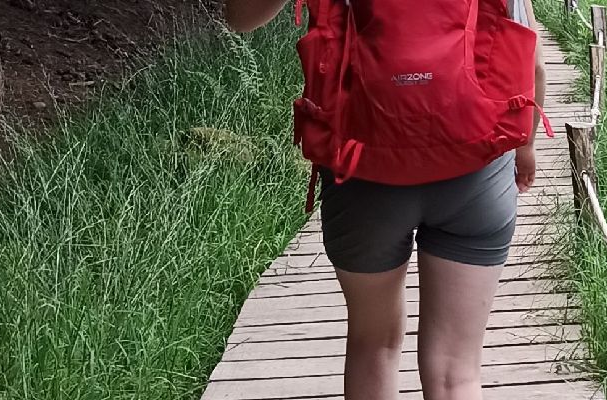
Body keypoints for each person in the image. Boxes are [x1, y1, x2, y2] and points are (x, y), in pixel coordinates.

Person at [223, 1, 546, 399]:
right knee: (456, 372)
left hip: (361, 166)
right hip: (475, 163)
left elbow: (239, 18)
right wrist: (526, 144)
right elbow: (532, 54)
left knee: (372, 345)